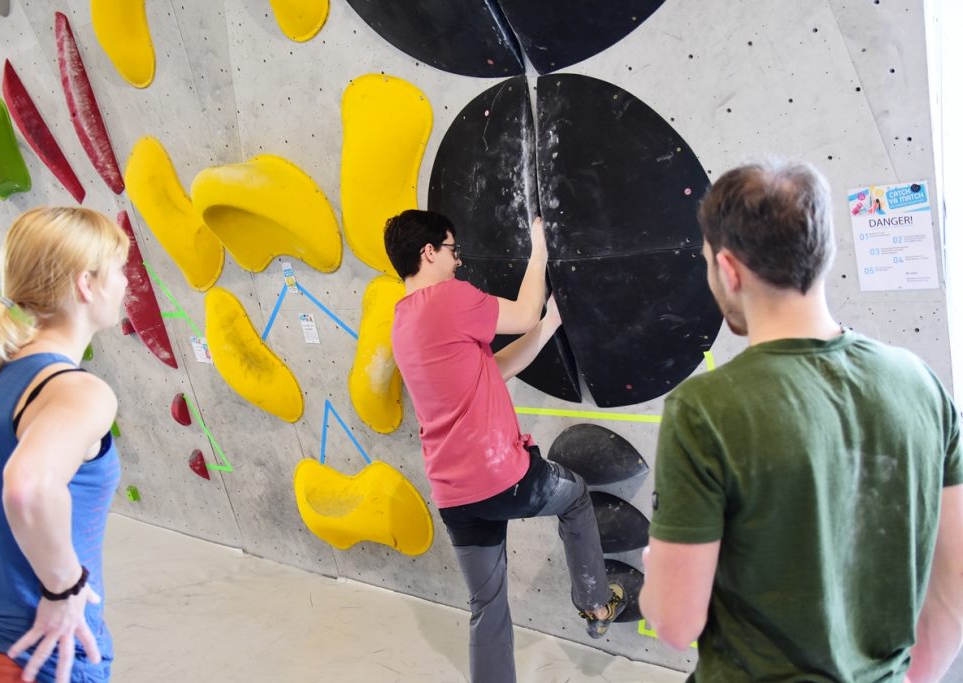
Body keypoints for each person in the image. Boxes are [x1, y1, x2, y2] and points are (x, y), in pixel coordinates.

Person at [639, 160, 963, 682]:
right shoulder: (921, 384)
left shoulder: (705, 409)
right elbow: (955, 582)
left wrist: (659, 571)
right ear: (823, 253)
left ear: (728, 269)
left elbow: (676, 625)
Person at [385, 209, 624, 683]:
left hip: (454, 497)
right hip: (502, 478)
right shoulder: (449, 298)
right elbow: (521, 312)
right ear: (428, 252)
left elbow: (495, 368)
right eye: (452, 250)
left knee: (487, 607)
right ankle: (596, 605)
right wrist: (539, 251)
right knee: (574, 496)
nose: (458, 262)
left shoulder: (403, 323)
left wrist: (550, 324)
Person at [0, 206, 130, 683]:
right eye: (119, 270)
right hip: (37, 657)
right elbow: (27, 487)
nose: (126, 283)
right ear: (86, 284)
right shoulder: (77, 391)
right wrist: (63, 589)